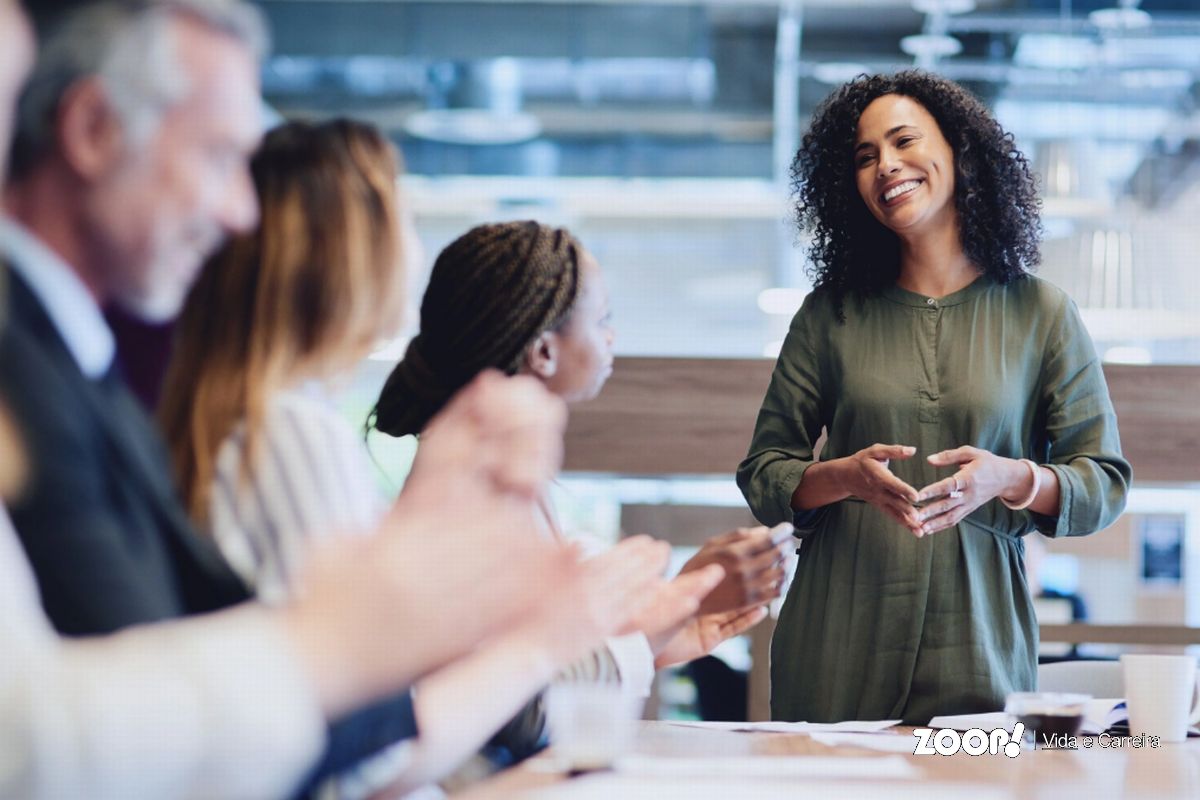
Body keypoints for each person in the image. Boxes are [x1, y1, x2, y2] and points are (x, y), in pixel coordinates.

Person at [0, 0, 592, 792]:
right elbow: (50, 731)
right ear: (94, 130)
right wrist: (352, 628)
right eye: (216, 157)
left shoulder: (90, 372)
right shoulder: (39, 368)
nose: (239, 211)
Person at [157, 118, 721, 796]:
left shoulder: (254, 426)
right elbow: (376, 747)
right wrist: (605, 631)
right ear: (350, 252)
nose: (412, 246)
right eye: (401, 215)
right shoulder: (293, 435)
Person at [736, 71, 1132, 724]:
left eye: (902, 141)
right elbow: (763, 472)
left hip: (980, 654)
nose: (885, 165)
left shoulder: (1042, 314)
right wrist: (841, 478)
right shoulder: (830, 315)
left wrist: (1014, 478)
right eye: (865, 157)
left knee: (979, 788)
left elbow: (1104, 483)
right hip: (835, 650)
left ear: (957, 151)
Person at [369, 220, 793, 672]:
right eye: (603, 319)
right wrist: (682, 598)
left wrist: (676, 629)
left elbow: (533, 662)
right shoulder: (468, 493)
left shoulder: (496, 472)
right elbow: (511, 694)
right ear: (545, 353)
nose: (611, 336)